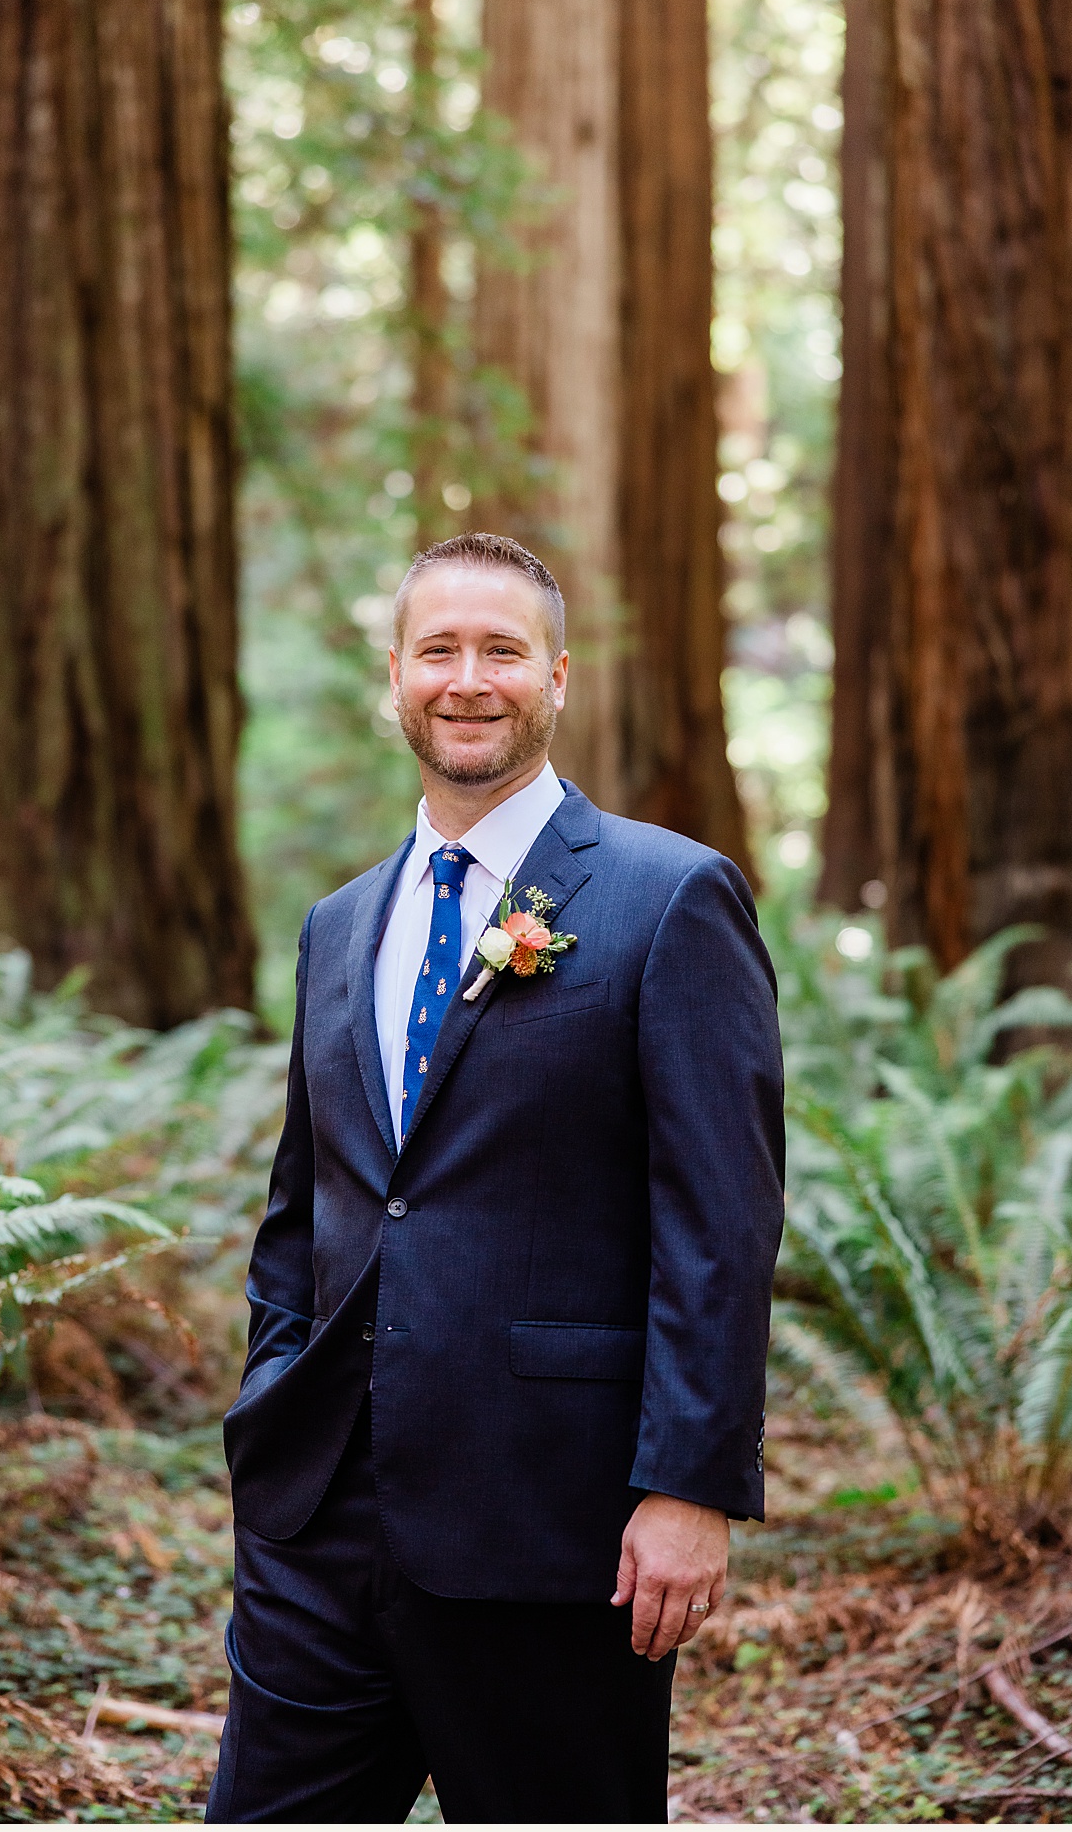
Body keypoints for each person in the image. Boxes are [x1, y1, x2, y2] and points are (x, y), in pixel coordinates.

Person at [207, 535, 783, 1822]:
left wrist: (688, 1485)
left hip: (555, 1526)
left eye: (502, 650)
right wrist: (272, 1397)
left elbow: (722, 1219)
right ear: (395, 678)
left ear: (557, 676)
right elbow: (307, 1202)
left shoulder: (667, 897)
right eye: (439, 650)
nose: (469, 679)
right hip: (318, 1530)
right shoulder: (339, 923)